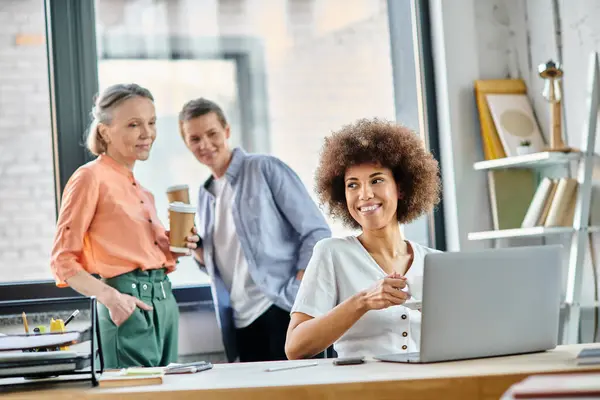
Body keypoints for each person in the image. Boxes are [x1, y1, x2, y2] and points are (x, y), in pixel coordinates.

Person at [50, 83, 199, 368]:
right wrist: (112, 298)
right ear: (104, 131)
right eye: (134, 124)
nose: (148, 134)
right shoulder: (89, 178)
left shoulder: (143, 192)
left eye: (152, 123)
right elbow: (62, 260)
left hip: (164, 303)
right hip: (128, 304)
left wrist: (177, 247)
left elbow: (141, 254)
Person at [178, 98, 331, 362]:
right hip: (239, 320)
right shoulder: (204, 195)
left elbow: (317, 231)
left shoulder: (264, 168)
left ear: (226, 131)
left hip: (281, 306)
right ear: (187, 144)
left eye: (212, 133)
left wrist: (297, 289)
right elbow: (222, 262)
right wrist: (198, 250)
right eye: (194, 138)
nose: (205, 144)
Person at [285, 118, 442, 360]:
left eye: (376, 180)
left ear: (400, 188)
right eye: (352, 185)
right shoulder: (332, 253)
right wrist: (363, 301)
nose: (365, 194)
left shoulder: (436, 262)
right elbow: (295, 347)